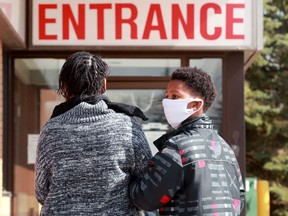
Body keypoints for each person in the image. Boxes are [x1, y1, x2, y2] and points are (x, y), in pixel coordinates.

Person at [34, 51, 152, 215]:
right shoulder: (127, 126)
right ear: (103, 84)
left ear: (64, 87)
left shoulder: (50, 130)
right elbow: (146, 182)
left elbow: (41, 192)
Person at [130, 67, 245, 215]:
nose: (166, 102)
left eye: (175, 97)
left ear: (196, 105)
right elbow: (238, 198)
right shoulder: (225, 148)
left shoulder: (178, 148)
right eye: (167, 96)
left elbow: (145, 198)